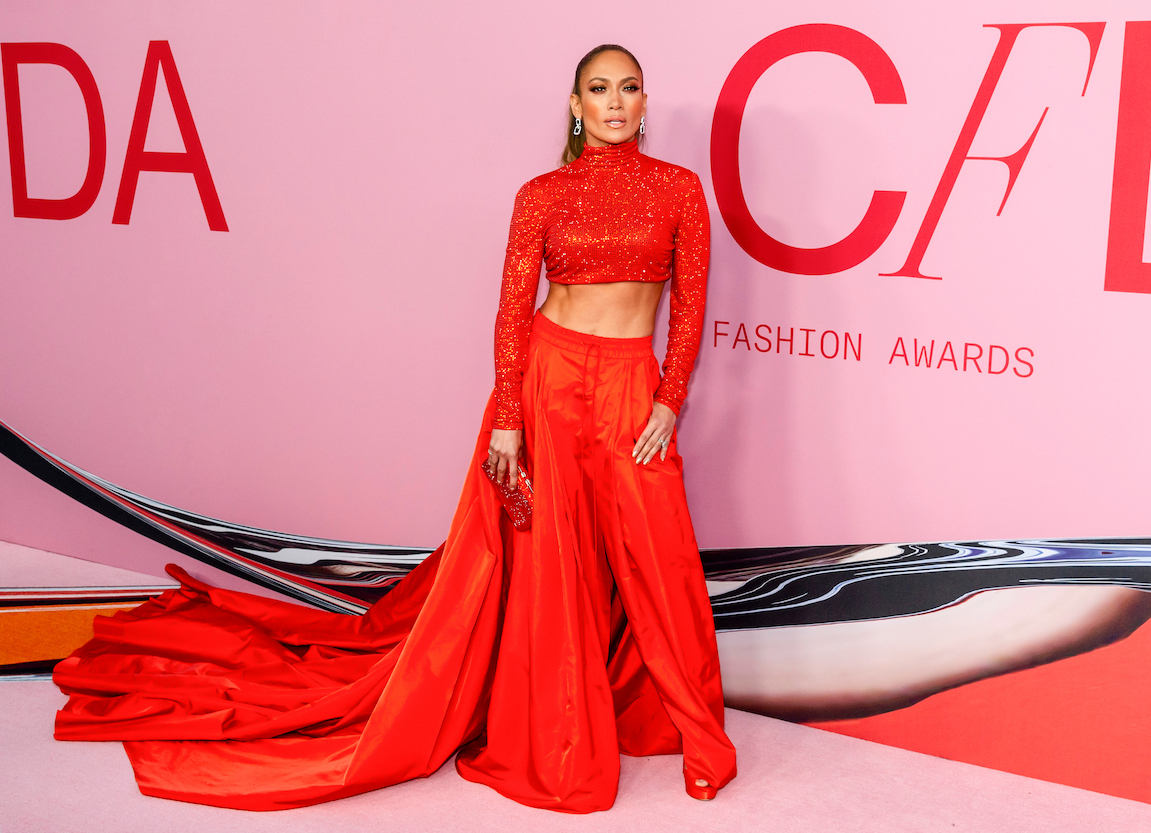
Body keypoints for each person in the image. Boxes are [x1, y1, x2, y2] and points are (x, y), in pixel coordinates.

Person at [52, 44, 736, 813]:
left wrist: (669, 399)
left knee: (661, 559)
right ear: (576, 107)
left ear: (647, 102)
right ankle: (561, 736)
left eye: (630, 88)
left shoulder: (679, 190)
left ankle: (699, 732)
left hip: (628, 386)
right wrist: (506, 418)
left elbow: (690, 303)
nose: (616, 102)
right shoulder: (542, 193)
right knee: (551, 567)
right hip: (548, 382)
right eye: (599, 90)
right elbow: (512, 313)